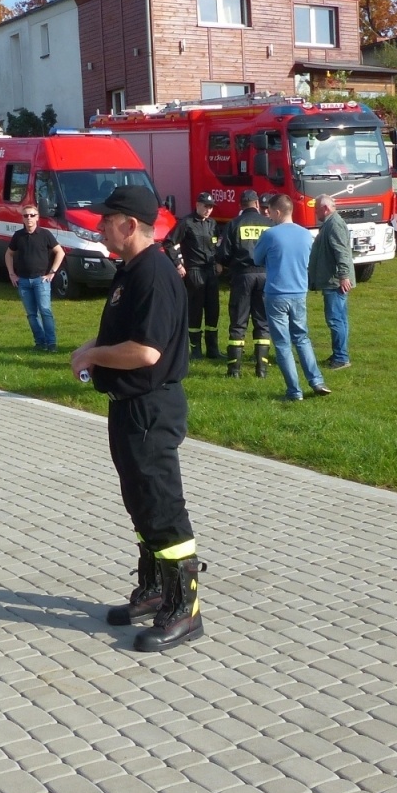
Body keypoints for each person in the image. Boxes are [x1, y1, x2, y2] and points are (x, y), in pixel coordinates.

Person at [71, 186, 204, 652]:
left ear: (130, 225)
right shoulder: (132, 269)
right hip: (129, 408)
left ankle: (183, 609)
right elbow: (125, 332)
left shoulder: (154, 273)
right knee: (141, 503)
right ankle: (152, 591)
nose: (99, 225)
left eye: (107, 219)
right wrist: (94, 348)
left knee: (162, 506)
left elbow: (146, 351)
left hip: (151, 407)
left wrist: (94, 354)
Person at [253, 194, 332, 402]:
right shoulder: (306, 234)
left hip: (276, 293)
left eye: (269, 211)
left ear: (278, 212)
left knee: (282, 343)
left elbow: (256, 258)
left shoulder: (270, 235)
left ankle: (294, 391)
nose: (268, 215)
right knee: (302, 337)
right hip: (299, 292)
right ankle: (316, 380)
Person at [216, 189, 271, 378]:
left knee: (238, 323)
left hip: (242, 276)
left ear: (240, 206)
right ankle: (261, 370)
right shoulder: (269, 223)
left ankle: (234, 371)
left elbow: (223, 254)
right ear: (257, 204)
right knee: (262, 322)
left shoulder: (234, 224)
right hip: (265, 275)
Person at [169, 192, 220, 359]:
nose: (208, 210)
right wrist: (178, 264)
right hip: (195, 271)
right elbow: (169, 242)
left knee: (213, 310)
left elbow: (218, 243)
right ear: (197, 205)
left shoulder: (213, 223)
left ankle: (213, 349)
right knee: (195, 310)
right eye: (206, 206)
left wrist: (219, 261)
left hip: (211, 272)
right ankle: (195, 349)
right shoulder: (186, 223)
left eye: (211, 207)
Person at [4, 206, 63, 350]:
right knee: (31, 315)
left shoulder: (45, 234)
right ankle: (39, 343)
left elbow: (60, 252)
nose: (29, 218)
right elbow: (8, 254)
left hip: (41, 280)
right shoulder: (18, 236)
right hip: (23, 281)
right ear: (22, 218)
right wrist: (12, 274)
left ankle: (51, 343)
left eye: (32, 215)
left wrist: (52, 272)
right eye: (26, 216)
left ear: (37, 217)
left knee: (45, 311)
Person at [309, 194, 354, 369]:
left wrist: (343, 276)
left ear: (325, 208)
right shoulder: (330, 223)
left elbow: (341, 252)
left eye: (316, 209)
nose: (315, 213)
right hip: (334, 280)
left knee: (336, 319)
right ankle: (339, 353)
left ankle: (341, 357)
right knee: (340, 319)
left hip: (335, 282)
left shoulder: (334, 225)